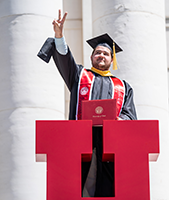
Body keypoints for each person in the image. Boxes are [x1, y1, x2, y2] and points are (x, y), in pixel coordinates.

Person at [38, 10, 137, 197]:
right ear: (92, 57)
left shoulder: (123, 87)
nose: (101, 56)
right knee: (77, 184)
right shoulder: (80, 76)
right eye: (98, 52)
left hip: (109, 142)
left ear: (111, 59)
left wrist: (117, 120)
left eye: (106, 54)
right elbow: (66, 61)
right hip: (81, 138)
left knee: (108, 186)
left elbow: (129, 115)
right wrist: (59, 36)